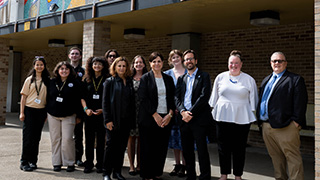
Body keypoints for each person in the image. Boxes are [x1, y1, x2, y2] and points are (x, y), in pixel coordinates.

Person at [257, 52, 308, 180]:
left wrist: (296, 122)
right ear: (270, 63)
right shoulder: (266, 79)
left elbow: (300, 103)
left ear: (285, 63)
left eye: (280, 61)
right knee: (276, 157)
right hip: (267, 126)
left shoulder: (295, 79)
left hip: (286, 127)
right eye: (274, 61)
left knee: (292, 157)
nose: (277, 63)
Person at [209, 50, 258, 180]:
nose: (233, 65)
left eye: (236, 63)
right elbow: (213, 99)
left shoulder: (249, 79)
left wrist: (254, 113)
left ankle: (238, 175)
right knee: (223, 148)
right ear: (228, 63)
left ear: (241, 64)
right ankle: (223, 175)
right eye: (231, 63)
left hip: (242, 118)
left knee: (239, 148)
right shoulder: (220, 77)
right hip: (222, 116)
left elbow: (254, 100)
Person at [175, 49, 213, 180]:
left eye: (191, 59)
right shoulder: (181, 78)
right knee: (187, 150)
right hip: (184, 119)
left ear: (196, 61)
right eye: (186, 59)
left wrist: (190, 112)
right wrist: (182, 112)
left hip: (199, 119)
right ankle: (190, 175)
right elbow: (176, 98)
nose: (188, 61)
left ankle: (205, 176)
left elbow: (204, 96)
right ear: (184, 62)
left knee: (202, 150)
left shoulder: (204, 76)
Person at [138, 52, 175, 180]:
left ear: (162, 63)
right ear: (150, 63)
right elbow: (143, 98)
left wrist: (170, 114)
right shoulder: (145, 78)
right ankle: (147, 175)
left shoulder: (168, 79)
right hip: (149, 117)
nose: (156, 64)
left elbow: (173, 98)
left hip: (166, 117)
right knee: (148, 147)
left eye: (159, 61)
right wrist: (155, 115)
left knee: (161, 147)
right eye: (154, 61)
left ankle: (157, 173)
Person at [47, 61, 84, 172]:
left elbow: (79, 101)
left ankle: (69, 162)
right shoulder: (52, 82)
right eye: (61, 69)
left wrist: (79, 116)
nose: (64, 71)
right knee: (55, 139)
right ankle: (56, 162)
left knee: (67, 139)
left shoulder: (75, 83)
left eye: (66, 69)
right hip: (53, 115)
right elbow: (47, 98)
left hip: (69, 115)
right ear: (57, 71)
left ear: (70, 70)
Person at [102, 57, 135, 180]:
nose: (121, 68)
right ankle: (106, 173)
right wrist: (107, 120)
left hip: (125, 120)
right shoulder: (109, 82)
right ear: (114, 67)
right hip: (113, 120)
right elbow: (105, 102)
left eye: (124, 66)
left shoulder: (129, 81)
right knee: (111, 147)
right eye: (119, 66)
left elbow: (131, 102)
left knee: (121, 148)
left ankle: (117, 172)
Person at [19, 56, 50, 171]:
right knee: (28, 137)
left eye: (41, 64)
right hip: (29, 110)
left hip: (41, 111)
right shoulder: (29, 80)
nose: (39, 66)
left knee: (36, 138)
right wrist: (22, 113)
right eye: (37, 64)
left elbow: (48, 98)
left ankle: (33, 161)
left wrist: (46, 113)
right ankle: (24, 161)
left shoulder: (47, 80)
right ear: (34, 66)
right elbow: (23, 97)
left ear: (44, 66)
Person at [81, 56, 109, 173]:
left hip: (102, 114)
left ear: (103, 66)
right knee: (89, 140)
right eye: (95, 64)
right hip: (89, 115)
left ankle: (100, 164)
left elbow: (109, 98)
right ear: (91, 65)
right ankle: (89, 163)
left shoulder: (107, 79)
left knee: (101, 140)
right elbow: (82, 97)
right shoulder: (86, 79)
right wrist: (86, 109)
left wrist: (104, 109)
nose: (97, 66)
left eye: (99, 64)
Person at [164, 49, 187, 177]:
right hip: (171, 111)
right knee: (174, 139)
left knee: (184, 139)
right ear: (170, 60)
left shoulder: (187, 73)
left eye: (178, 57)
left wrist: (182, 108)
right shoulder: (167, 74)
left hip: (184, 111)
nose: (176, 59)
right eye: (173, 57)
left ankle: (184, 165)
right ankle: (177, 164)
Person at [127, 55, 148, 176]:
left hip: (144, 112)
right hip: (131, 112)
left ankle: (140, 165)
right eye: (136, 62)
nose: (138, 64)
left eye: (141, 62)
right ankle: (131, 165)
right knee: (131, 139)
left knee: (141, 139)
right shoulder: (129, 78)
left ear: (144, 64)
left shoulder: (147, 77)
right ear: (133, 65)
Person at [68, 47, 85, 167]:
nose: (74, 56)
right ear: (69, 56)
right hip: (66, 107)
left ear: (80, 56)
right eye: (72, 54)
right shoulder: (64, 69)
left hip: (78, 108)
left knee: (78, 135)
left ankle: (78, 158)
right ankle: (67, 158)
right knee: (67, 136)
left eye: (76, 54)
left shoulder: (83, 72)